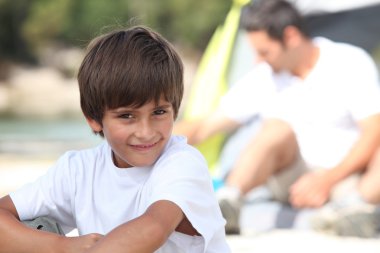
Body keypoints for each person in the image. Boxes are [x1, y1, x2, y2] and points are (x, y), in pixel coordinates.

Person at [0, 26, 230, 253]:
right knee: (28, 228)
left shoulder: (182, 163)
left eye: (159, 112)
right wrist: (61, 246)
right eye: (127, 116)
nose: (145, 131)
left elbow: (154, 227)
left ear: (175, 109)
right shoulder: (78, 170)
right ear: (93, 118)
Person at [175, 0, 380, 236]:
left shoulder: (349, 62)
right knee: (276, 128)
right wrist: (149, 139)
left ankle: (354, 209)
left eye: (264, 52)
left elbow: (374, 131)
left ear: (291, 37)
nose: (257, 61)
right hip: (292, 179)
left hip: (348, 178)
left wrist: (328, 180)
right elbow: (204, 127)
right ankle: (228, 202)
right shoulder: (264, 76)